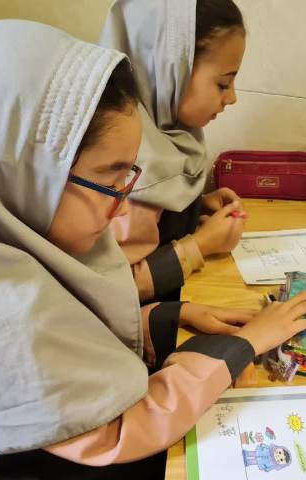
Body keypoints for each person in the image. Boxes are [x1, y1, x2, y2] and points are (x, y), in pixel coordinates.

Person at [0, 20, 306, 479]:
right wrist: (241, 346)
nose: (122, 207)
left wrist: (168, 318)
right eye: (110, 181)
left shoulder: (16, 248)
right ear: (21, 172)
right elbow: (119, 430)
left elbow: (75, 340)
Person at [101, 0, 249, 302]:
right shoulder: (119, 167)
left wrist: (195, 209)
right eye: (223, 84)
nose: (232, 98)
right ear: (168, 71)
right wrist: (201, 245)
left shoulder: (172, 136)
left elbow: (152, 224)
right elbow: (109, 290)